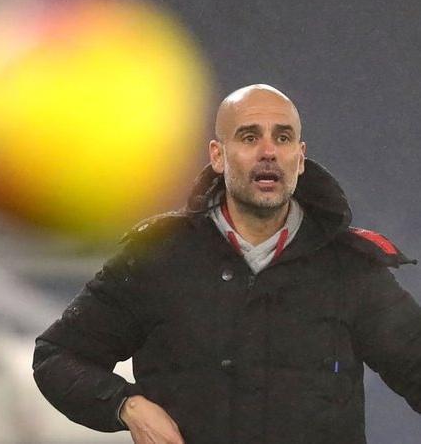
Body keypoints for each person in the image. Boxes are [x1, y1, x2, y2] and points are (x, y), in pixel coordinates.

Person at [32, 84, 421, 444]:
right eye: (250, 137)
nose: (268, 151)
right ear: (217, 156)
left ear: (300, 158)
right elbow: (57, 356)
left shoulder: (350, 268)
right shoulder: (157, 258)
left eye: (282, 138)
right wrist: (126, 406)